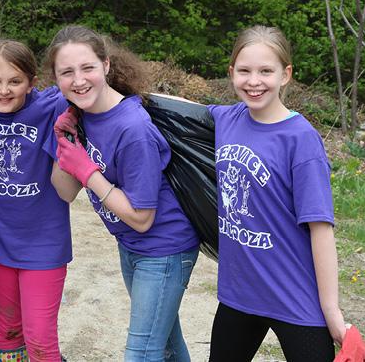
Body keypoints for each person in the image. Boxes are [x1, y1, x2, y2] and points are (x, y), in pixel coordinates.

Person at [46, 25, 200, 362]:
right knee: (167, 344)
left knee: (142, 353)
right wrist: (64, 143)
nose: (78, 80)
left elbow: (142, 218)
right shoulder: (80, 114)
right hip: (130, 245)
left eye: (87, 68)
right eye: (66, 73)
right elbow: (65, 191)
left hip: (164, 250)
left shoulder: (132, 128)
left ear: (106, 66)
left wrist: (87, 170)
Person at [205, 25, 347, 361]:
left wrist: (332, 310)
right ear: (231, 73)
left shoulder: (301, 140)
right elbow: (178, 111)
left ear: (285, 75)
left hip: (293, 297)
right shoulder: (229, 118)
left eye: (265, 71)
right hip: (239, 295)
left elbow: (320, 227)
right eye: (244, 71)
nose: (254, 81)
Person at [0, 40, 71, 362]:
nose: (4, 90)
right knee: (8, 335)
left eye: (15, 81)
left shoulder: (50, 107)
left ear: (32, 82)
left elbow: (96, 89)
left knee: (40, 339)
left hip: (43, 245)